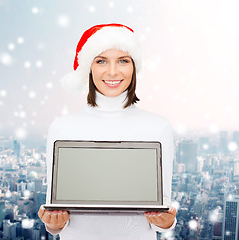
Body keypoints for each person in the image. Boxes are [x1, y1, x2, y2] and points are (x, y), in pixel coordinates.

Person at [38, 23, 177, 240]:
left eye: (123, 60)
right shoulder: (62, 127)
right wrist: (53, 224)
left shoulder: (158, 127)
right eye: (101, 61)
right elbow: (57, 217)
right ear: (89, 68)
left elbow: (162, 214)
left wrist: (168, 222)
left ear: (134, 66)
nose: (112, 71)